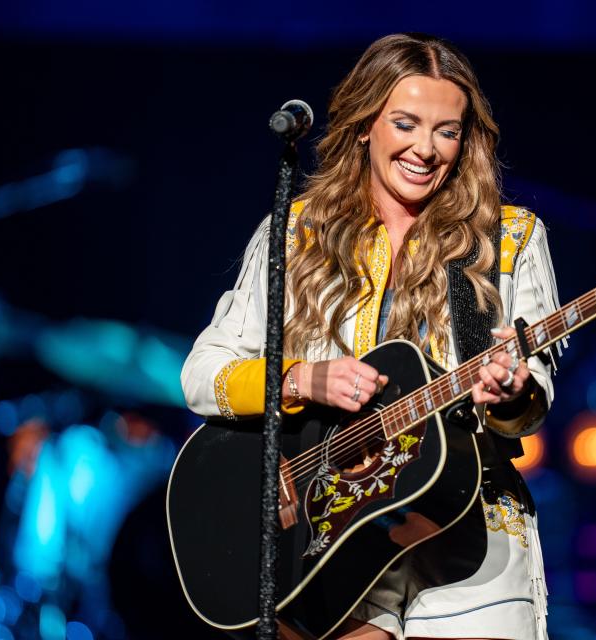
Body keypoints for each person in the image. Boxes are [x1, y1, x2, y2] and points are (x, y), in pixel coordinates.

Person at [181, 32, 564, 640]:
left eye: (448, 130)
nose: (426, 149)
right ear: (365, 124)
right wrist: (300, 380)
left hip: (470, 540)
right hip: (337, 546)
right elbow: (203, 377)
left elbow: (533, 395)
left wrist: (513, 390)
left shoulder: (509, 237)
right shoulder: (299, 230)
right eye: (406, 123)